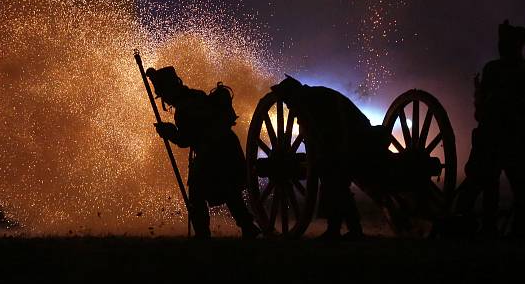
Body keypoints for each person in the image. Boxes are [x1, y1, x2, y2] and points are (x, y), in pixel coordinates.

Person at [146, 66, 261, 239]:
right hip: (228, 147)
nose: (165, 100)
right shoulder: (196, 95)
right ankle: (247, 227)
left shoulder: (183, 109)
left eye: (164, 94)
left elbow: (186, 140)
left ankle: (203, 235)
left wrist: (168, 132)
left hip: (213, 152)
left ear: (170, 90)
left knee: (197, 193)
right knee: (230, 191)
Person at [271, 76, 387, 240]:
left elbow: (326, 131)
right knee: (334, 181)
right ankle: (346, 229)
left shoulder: (311, 103)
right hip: (355, 137)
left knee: (333, 180)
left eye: (288, 101)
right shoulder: (315, 97)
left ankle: (344, 230)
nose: (288, 106)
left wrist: (324, 155)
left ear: (293, 96)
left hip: (351, 140)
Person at [456, 20, 525, 237]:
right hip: (497, 135)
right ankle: (475, 225)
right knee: (486, 184)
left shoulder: (507, 69)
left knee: (518, 186)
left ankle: (517, 230)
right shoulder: (501, 69)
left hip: (510, 136)